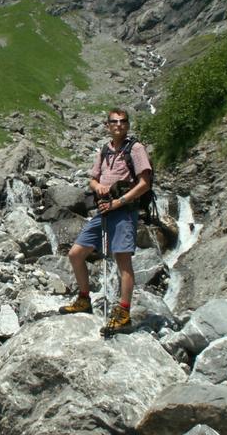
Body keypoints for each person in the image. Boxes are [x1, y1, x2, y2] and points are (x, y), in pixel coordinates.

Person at [59, 108, 152, 336]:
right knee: (76, 254)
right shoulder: (104, 150)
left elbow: (145, 183)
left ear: (127, 124)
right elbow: (92, 180)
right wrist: (98, 186)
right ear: (107, 125)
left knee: (123, 261)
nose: (119, 124)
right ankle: (84, 299)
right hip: (104, 211)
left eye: (123, 121)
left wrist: (119, 202)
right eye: (114, 121)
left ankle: (123, 313)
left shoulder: (136, 149)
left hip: (124, 211)